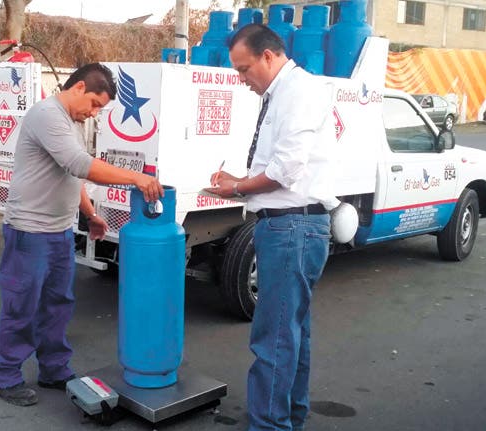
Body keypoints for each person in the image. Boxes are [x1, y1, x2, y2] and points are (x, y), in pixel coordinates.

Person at [0, 63, 164, 406]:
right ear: (79, 87)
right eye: (95, 104)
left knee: (58, 304)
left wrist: (91, 215)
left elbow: (71, 175)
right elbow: (80, 164)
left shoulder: (71, 122)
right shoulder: (47, 115)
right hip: (29, 231)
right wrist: (137, 177)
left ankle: (54, 369)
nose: (94, 113)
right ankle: (5, 376)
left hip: (58, 231)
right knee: (22, 305)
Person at [206, 24, 339, 431]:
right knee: (291, 334)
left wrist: (238, 187)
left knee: (275, 338)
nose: (241, 79)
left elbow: (285, 170)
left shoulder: (298, 92)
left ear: (268, 56)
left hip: (291, 228)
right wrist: (239, 181)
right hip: (290, 226)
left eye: (244, 69)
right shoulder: (282, 94)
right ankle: (288, 419)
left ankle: (270, 425)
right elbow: (279, 166)